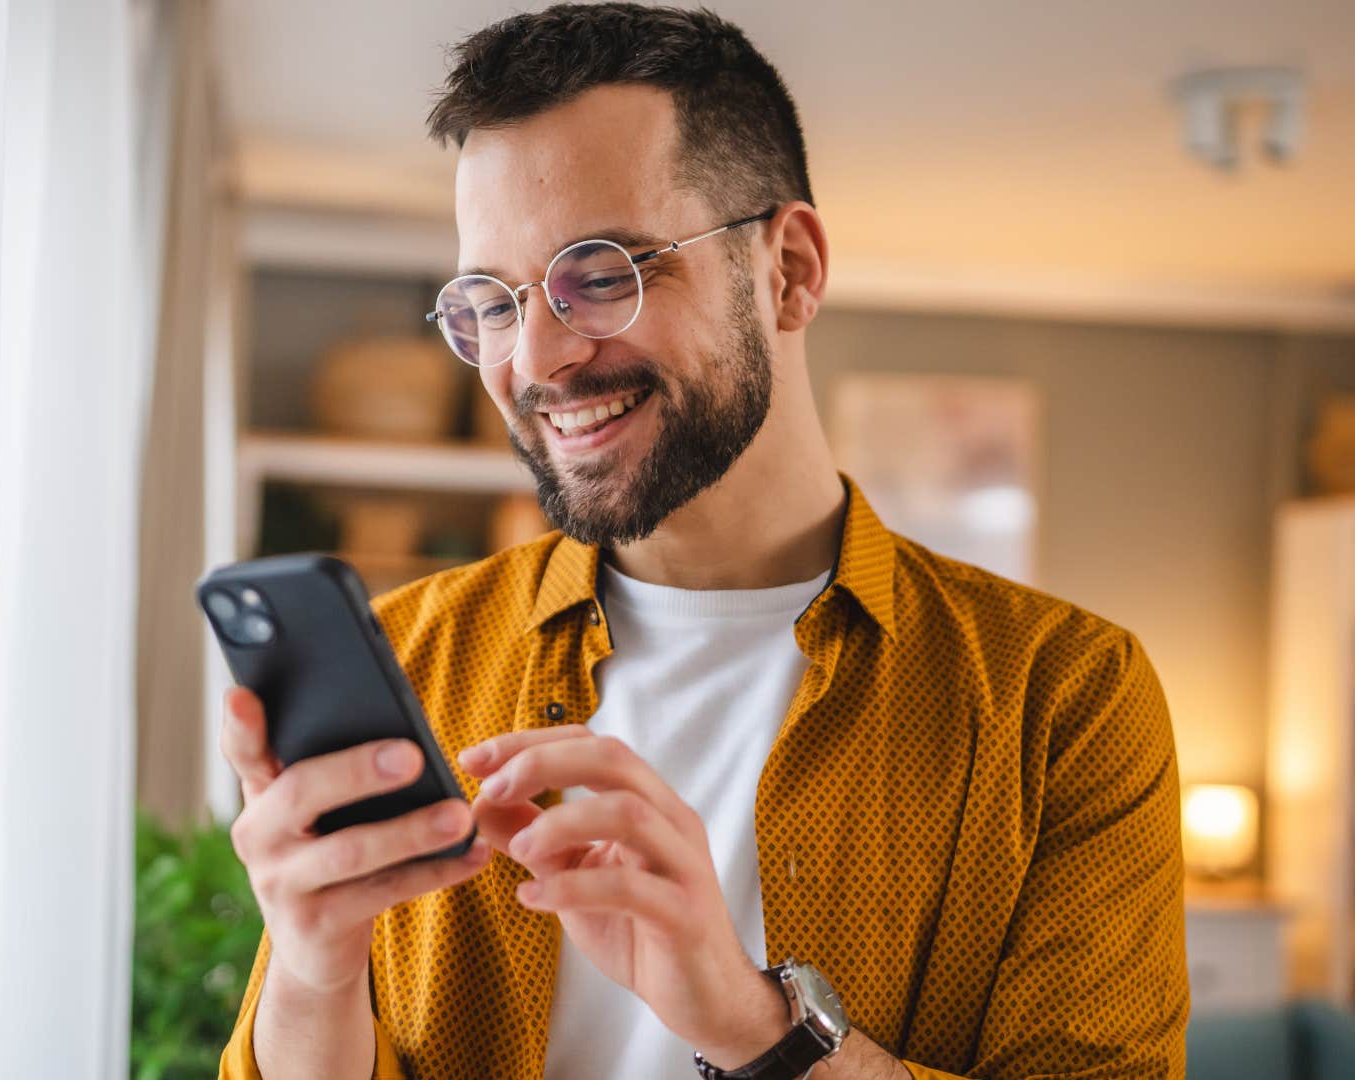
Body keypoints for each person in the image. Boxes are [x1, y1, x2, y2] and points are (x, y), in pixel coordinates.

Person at [215, 5, 1188, 1078]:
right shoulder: (414, 661)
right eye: (490, 301)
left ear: (790, 272)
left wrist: (753, 1026)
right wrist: (312, 975)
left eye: (604, 274)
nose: (536, 360)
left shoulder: (1065, 703)